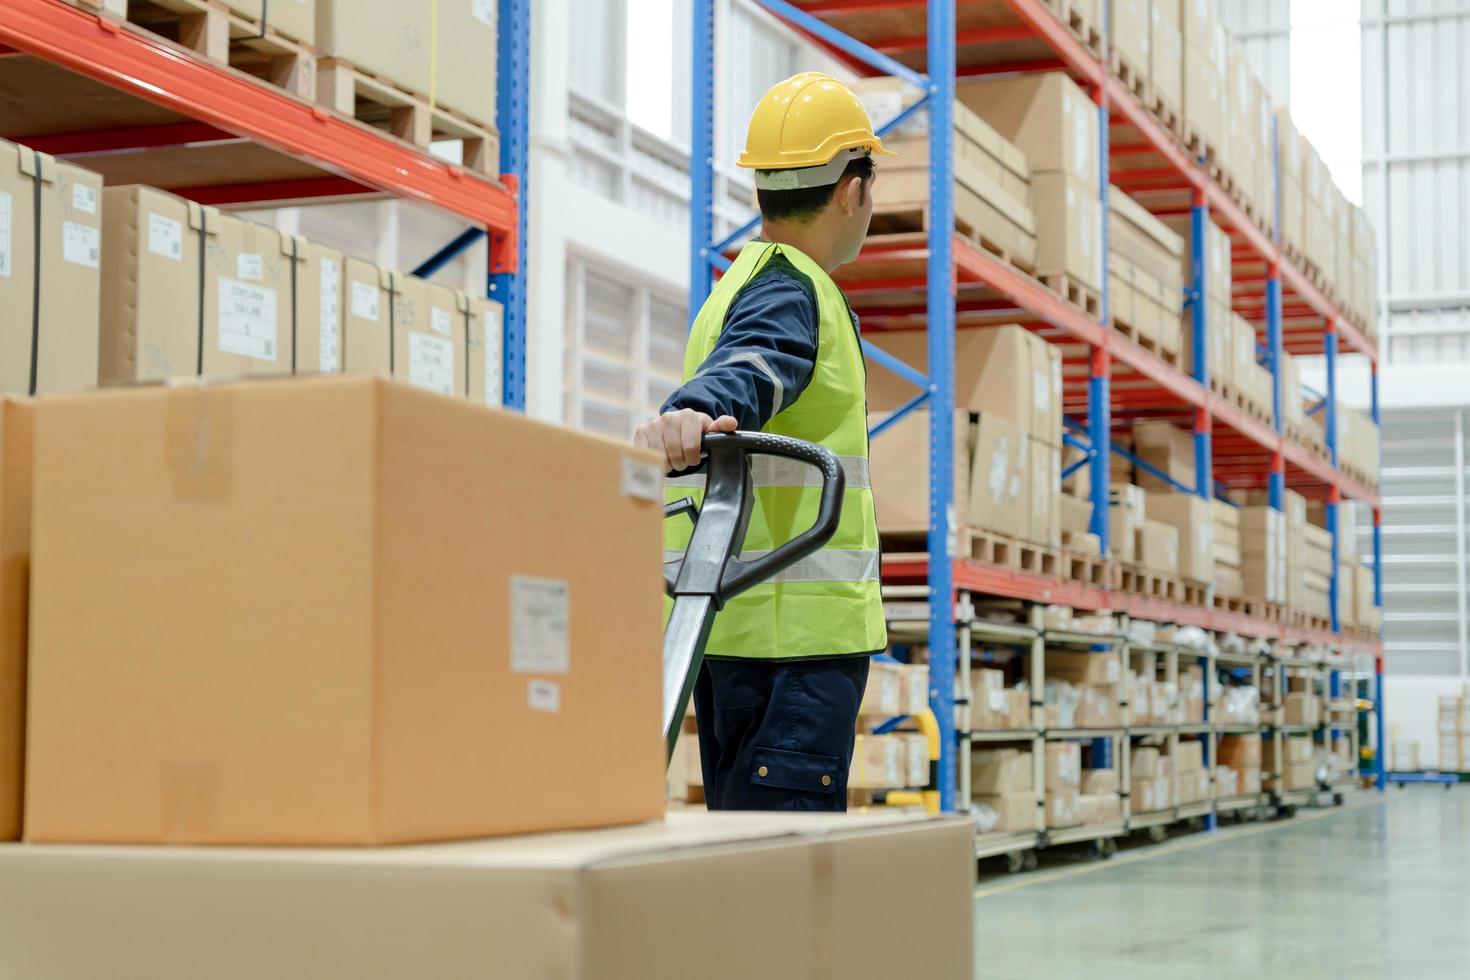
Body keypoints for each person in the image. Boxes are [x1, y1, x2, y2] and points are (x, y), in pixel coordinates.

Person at [635, 72, 892, 811]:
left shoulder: (741, 280)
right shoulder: (794, 289)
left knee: (744, 859)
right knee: (784, 870)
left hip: (738, 636)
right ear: (852, 189)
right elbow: (753, 363)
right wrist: (695, 409)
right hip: (797, 655)